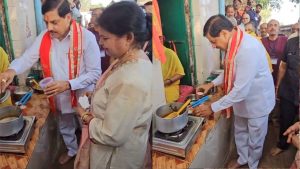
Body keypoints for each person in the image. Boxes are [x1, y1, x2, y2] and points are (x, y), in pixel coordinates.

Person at [0, 0, 101, 165]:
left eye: (54, 22)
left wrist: (69, 84)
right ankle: (72, 150)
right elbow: (27, 58)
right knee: (65, 124)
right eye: (46, 22)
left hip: (82, 94)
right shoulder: (45, 37)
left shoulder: (87, 38)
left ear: (68, 17)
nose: (49, 28)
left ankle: (88, 156)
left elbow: (95, 73)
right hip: (59, 95)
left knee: (86, 127)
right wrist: (11, 71)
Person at [74, 2, 153, 169]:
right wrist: (97, 95)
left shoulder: (131, 79)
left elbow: (111, 135)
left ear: (129, 37)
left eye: (105, 38)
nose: (101, 43)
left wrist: (84, 116)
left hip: (115, 159)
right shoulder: (129, 59)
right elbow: (116, 94)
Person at [192, 15, 275, 169]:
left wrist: (212, 107)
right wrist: (211, 84)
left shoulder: (247, 48)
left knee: (256, 138)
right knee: (241, 132)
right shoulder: (234, 44)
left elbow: (240, 91)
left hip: (258, 102)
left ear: (224, 33)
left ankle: (252, 164)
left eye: (213, 41)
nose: (213, 46)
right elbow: (230, 70)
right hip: (242, 101)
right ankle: (243, 159)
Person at [270, 33, 299, 156]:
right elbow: (283, 66)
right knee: (285, 118)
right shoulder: (291, 43)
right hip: (289, 90)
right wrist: (278, 86)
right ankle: (282, 145)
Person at [262, 19, 288, 85]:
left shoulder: (285, 40)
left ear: (278, 28)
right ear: (267, 29)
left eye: (275, 25)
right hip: (265, 73)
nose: (273, 27)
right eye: (270, 25)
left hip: (281, 73)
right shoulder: (261, 41)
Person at [160, 36, 185, 103]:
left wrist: (168, 82)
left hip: (168, 89)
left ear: (162, 39)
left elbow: (181, 73)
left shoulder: (170, 53)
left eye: (159, 38)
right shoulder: (149, 55)